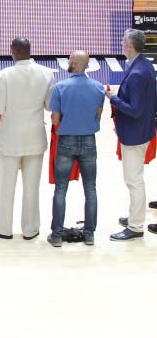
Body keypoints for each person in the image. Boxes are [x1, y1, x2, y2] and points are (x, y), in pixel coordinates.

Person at [0, 38, 54, 241]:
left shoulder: (4, 75)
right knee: (32, 187)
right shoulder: (46, 73)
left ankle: (3, 228)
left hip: (10, 138)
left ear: (13, 51)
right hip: (35, 136)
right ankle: (31, 229)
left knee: (6, 185)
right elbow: (49, 106)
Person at [48, 51, 105, 247]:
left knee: (61, 188)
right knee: (90, 188)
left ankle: (56, 235)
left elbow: (55, 120)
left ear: (73, 62)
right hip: (89, 141)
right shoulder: (98, 88)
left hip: (66, 141)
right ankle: (89, 234)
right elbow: (98, 115)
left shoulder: (60, 87)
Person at [107, 29, 157, 240]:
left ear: (130, 45)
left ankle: (136, 226)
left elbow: (135, 109)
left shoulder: (137, 73)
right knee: (135, 179)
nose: (121, 43)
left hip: (135, 134)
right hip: (142, 130)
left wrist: (112, 98)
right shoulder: (143, 65)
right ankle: (134, 215)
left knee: (134, 181)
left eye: (123, 41)